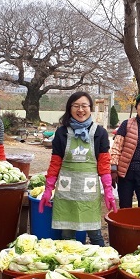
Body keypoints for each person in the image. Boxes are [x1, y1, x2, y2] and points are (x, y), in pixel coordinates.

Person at [37, 91, 116, 246]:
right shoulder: (62, 132)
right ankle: (69, 265)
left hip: (89, 192)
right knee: (67, 235)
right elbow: (55, 164)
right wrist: (48, 189)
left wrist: (108, 190)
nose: (80, 110)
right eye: (76, 106)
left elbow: (104, 164)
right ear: (70, 108)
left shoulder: (99, 132)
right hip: (67, 192)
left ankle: (104, 265)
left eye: (84, 106)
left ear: (90, 108)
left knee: (95, 234)